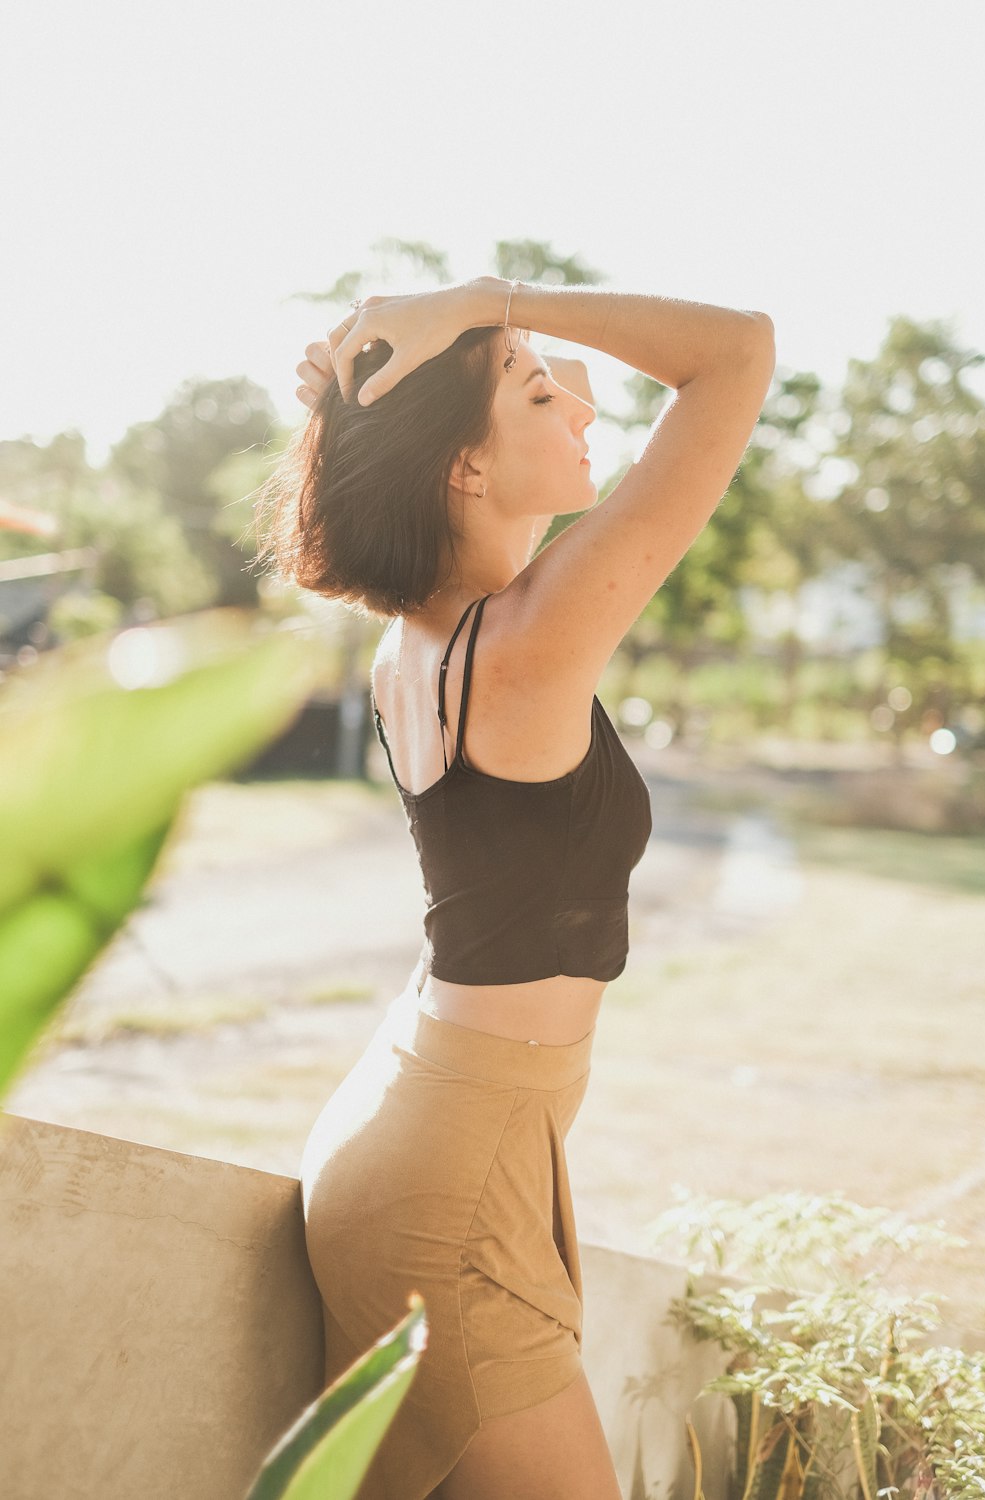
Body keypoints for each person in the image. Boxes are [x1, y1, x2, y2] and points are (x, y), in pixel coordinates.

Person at [258, 276, 775, 1499]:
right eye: (542, 392)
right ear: (466, 473)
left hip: (437, 1130)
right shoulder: (530, 642)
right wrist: (487, 302)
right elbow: (738, 354)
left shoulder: (426, 640)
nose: (588, 402)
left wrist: (376, 393)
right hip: (455, 1175)